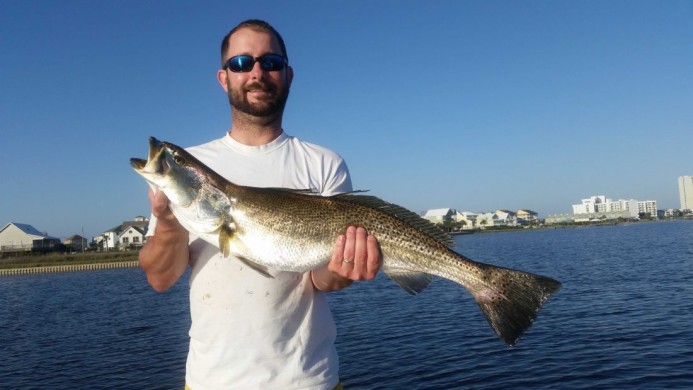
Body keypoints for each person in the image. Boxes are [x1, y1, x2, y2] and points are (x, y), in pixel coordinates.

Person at [139, 19, 382, 390]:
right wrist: (168, 223)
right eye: (241, 63)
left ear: (288, 75)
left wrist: (349, 267)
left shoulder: (323, 164)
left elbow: (322, 279)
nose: (256, 72)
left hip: (308, 380)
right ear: (224, 78)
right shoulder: (193, 170)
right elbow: (159, 278)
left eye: (270, 62)